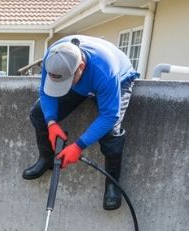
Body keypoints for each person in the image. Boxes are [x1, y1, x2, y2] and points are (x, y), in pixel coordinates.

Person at [23, 35, 139, 211]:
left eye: (65, 81)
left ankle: (112, 184)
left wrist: (78, 146)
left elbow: (109, 116)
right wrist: (51, 123)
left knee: (110, 133)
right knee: (38, 114)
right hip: (78, 81)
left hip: (117, 81)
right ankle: (46, 159)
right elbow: (46, 92)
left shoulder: (105, 70)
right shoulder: (54, 57)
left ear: (81, 67)